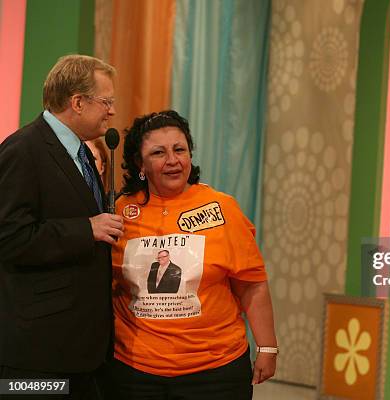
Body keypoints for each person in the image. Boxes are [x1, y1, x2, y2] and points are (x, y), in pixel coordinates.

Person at [109, 110, 277, 399]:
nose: (172, 160)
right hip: (135, 373)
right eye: (158, 152)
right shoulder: (120, 212)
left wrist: (267, 347)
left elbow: (252, 283)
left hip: (216, 372)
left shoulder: (222, 208)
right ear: (140, 163)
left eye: (180, 150)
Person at [0, 55, 124, 397]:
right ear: (78, 102)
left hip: (82, 349)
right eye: (107, 102)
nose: (112, 111)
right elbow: (9, 239)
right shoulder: (23, 150)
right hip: (37, 353)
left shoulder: (82, 153)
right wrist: (87, 229)